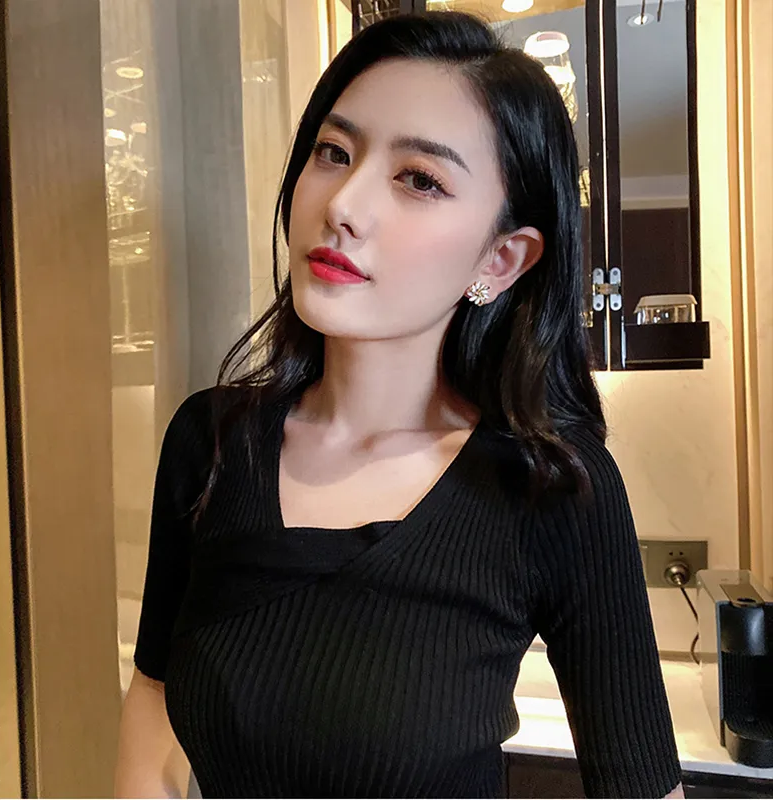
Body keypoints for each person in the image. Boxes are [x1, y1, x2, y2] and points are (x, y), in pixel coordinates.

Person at [114, 11, 685, 799]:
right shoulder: (210, 442)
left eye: (420, 179)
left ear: (500, 259)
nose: (343, 204)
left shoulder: (550, 492)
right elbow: (153, 708)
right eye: (333, 152)